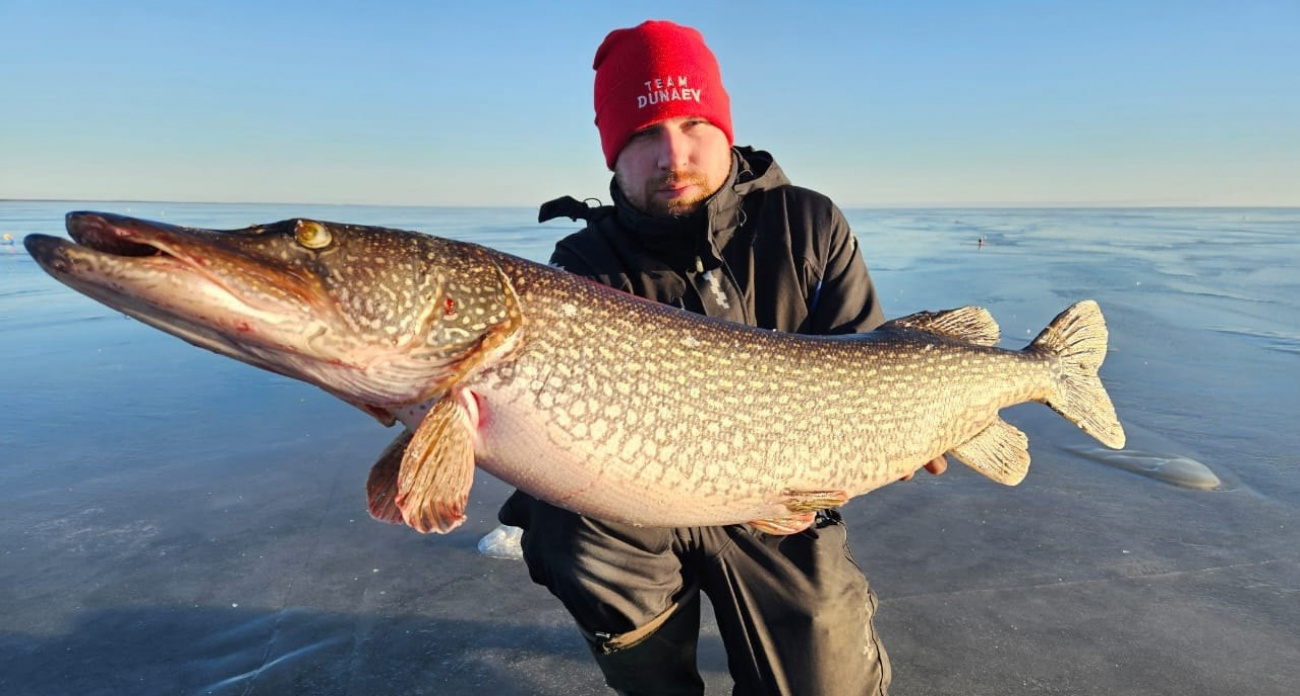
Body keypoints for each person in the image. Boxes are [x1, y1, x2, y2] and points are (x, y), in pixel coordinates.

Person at [499, 20, 945, 696]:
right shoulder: (582, 267)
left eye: (693, 124)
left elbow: (869, 356)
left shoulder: (808, 223)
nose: (672, 155)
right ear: (613, 155)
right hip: (638, 499)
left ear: (725, 130)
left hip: (784, 503)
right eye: (644, 134)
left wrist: (917, 422)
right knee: (568, 528)